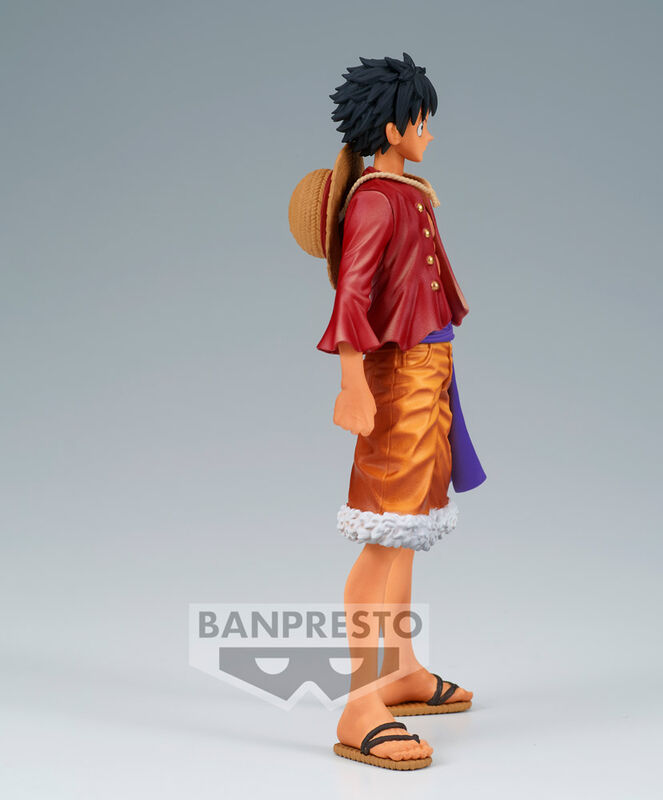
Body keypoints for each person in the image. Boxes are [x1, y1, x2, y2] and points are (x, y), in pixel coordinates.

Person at [289, 52, 485, 770]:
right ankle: (359, 702)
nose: (428, 132)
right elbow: (351, 294)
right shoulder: (376, 198)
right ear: (394, 127)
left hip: (429, 372)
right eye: (421, 121)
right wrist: (352, 381)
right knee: (383, 535)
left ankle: (398, 667)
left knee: (406, 531)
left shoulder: (409, 192)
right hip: (398, 377)